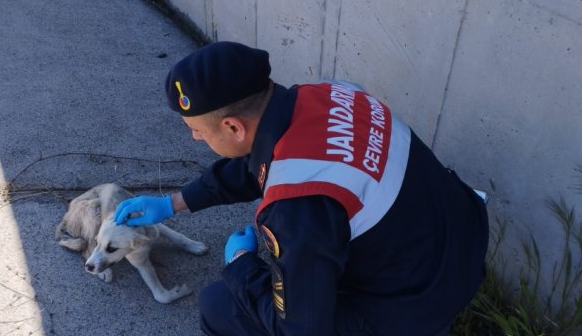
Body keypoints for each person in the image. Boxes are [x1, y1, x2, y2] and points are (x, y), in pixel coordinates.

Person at [114, 41, 489, 335]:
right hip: (458, 243)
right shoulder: (325, 95)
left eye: (197, 130)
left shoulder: (296, 209)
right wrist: (174, 202)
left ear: (232, 128)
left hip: (419, 302)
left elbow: (302, 328)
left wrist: (242, 267)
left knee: (219, 304)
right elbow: (259, 164)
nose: (196, 137)